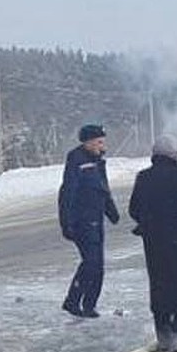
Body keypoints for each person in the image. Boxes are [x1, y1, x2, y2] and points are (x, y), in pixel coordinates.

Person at [128, 134, 177, 351]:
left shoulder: (143, 177)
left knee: (160, 287)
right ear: (174, 155)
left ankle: (163, 336)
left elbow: (134, 208)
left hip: (155, 244)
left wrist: (151, 224)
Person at [59, 122, 119, 318]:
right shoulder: (77, 159)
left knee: (98, 265)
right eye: (99, 142)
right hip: (82, 221)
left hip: (96, 218)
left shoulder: (98, 160)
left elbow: (103, 187)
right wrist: (66, 221)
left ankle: (89, 305)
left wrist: (111, 210)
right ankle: (73, 300)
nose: (103, 146)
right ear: (88, 142)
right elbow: (67, 192)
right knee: (91, 263)